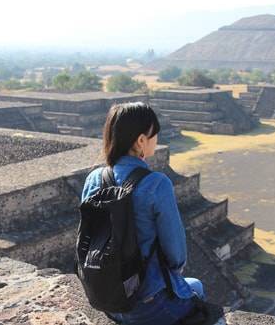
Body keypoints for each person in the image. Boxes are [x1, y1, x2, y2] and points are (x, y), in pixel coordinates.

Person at [80, 101, 205, 325]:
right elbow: (176, 255)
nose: (157, 142)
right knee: (196, 287)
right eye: (154, 135)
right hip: (149, 306)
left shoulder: (93, 179)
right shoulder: (156, 184)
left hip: (105, 299)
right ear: (140, 140)